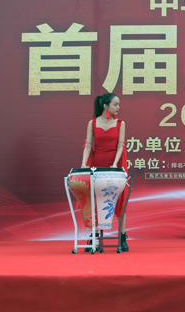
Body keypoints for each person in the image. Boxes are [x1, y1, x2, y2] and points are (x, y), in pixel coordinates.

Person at [81, 93, 130, 251]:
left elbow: (121, 145)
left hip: (115, 165)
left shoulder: (120, 123)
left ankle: (122, 237)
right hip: (97, 165)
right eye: (115, 104)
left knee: (120, 200)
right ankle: (95, 237)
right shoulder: (93, 123)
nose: (118, 107)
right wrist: (83, 164)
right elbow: (88, 145)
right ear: (105, 106)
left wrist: (115, 163)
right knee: (95, 200)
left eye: (118, 104)